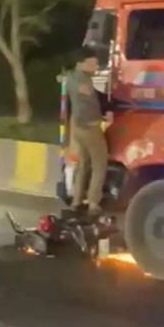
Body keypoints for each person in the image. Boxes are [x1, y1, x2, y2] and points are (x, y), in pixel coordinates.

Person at [65, 50, 113, 217]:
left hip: (77, 128)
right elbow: (91, 102)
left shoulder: (70, 77)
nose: (95, 67)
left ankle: (76, 201)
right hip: (89, 128)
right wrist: (106, 112)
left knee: (83, 164)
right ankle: (93, 202)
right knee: (100, 163)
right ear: (81, 63)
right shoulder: (84, 81)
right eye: (92, 64)